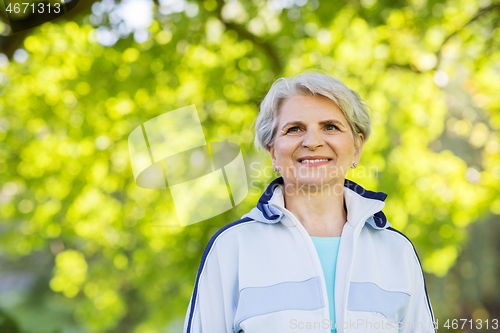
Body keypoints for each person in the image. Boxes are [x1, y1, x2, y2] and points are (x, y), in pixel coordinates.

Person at [183, 71, 436, 333]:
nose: (312, 142)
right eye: (294, 129)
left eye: (330, 127)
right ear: (272, 152)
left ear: (357, 148)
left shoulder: (397, 251)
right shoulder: (231, 249)